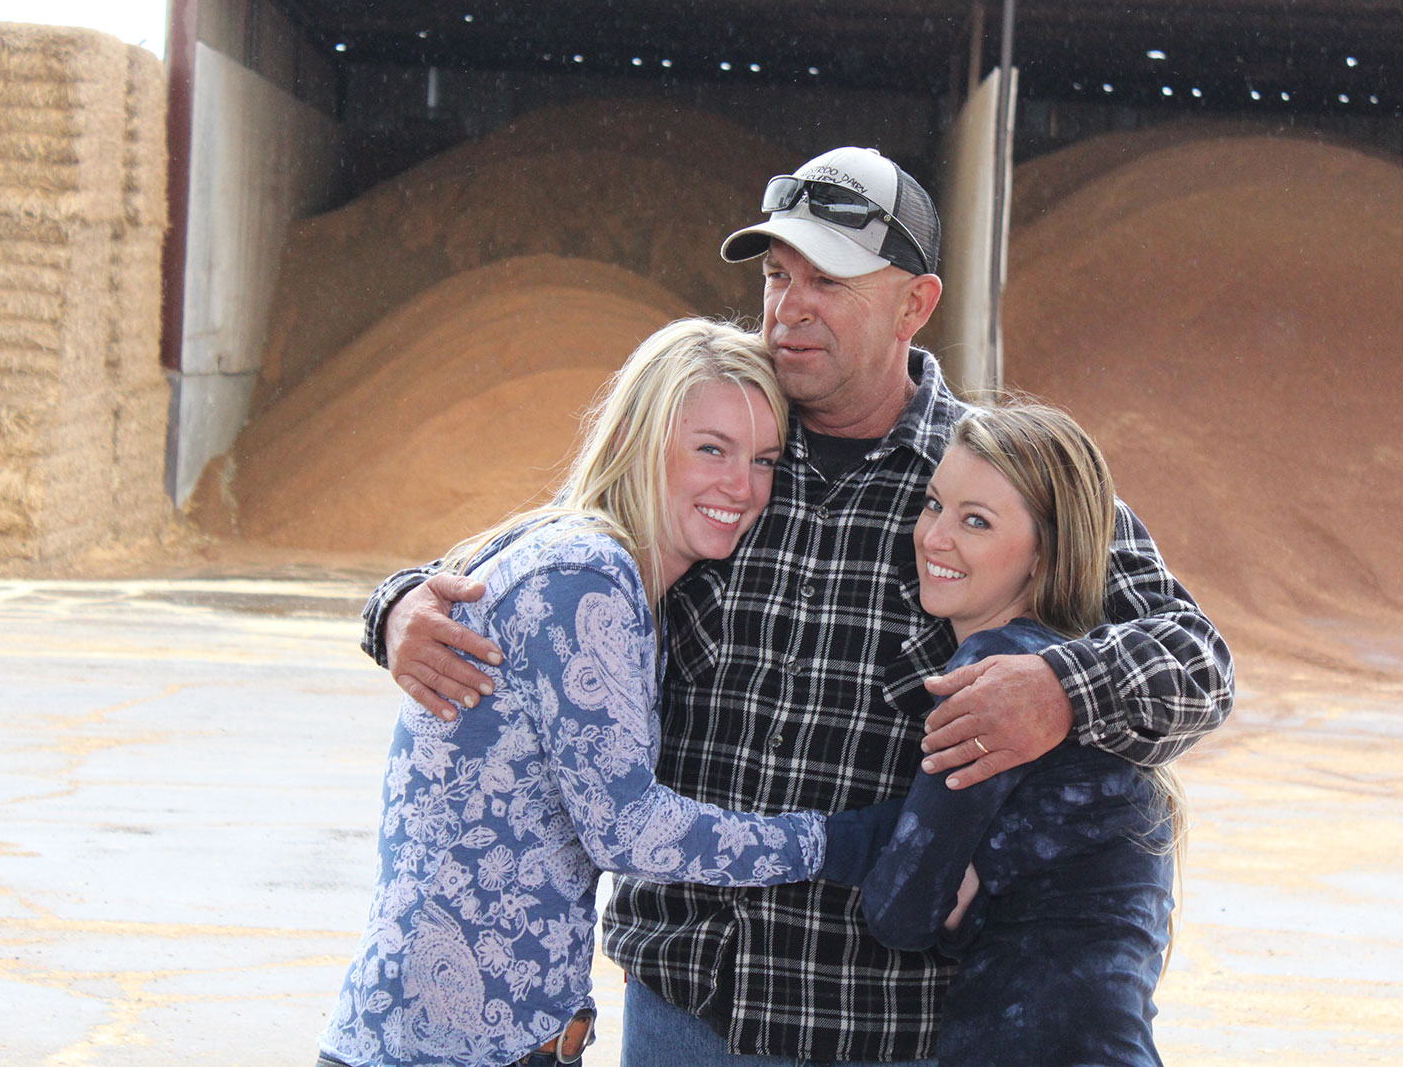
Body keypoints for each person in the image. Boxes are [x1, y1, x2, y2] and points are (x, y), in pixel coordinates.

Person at [360, 146, 1234, 1064]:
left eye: (830, 279)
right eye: (779, 275)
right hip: (683, 1004)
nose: (789, 306)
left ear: (916, 303)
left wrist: (1058, 687)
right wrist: (398, 610)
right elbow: (545, 552)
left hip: (875, 1021)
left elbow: (1195, 661)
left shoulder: (992, 481)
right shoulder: (718, 439)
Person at [318, 319, 898, 1067]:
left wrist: (391, 602)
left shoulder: (581, 557)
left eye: (763, 460)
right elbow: (627, 828)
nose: (742, 486)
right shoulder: (585, 578)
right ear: (633, 435)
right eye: (710, 449)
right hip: (448, 1046)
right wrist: (846, 842)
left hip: (480, 1035)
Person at [861, 401, 1182, 1067]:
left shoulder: (995, 678)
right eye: (932, 505)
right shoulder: (1087, 683)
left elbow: (902, 911)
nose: (934, 537)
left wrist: (960, 902)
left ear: (1043, 554)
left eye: (975, 521)